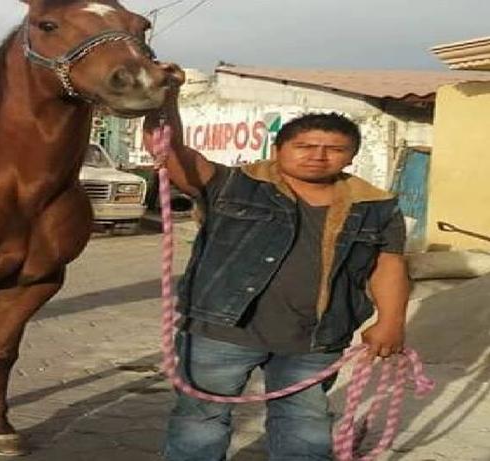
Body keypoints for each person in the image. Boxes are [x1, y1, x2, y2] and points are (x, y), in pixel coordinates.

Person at [143, 69, 410, 461]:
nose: (318, 155)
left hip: (315, 338)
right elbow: (169, 150)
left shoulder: (376, 205)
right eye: (305, 145)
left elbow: (388, 265)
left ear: (351, 155)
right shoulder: (232, 183)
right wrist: (166, 97)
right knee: (201, 419)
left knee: (304, 423)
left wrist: (391, 321)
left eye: (333, 148)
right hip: (221, 330)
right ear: (278, 149)